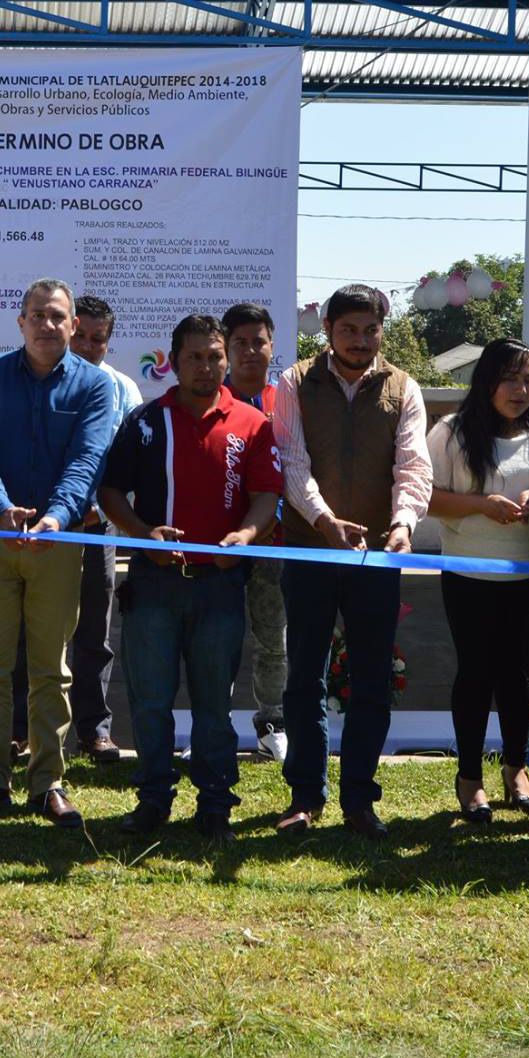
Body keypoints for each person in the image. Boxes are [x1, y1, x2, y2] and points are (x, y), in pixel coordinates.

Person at [100, 314, 281, 842]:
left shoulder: (252, 423)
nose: (206, 366)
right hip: (154, 585)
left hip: (220, 586)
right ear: (173, 362)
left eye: (215, 356)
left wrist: (246, 536)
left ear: (227, 361)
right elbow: (111, 492)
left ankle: (215, 804)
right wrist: (140, 532)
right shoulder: (146, 421)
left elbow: (267, 496)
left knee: (212, 704)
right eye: (195, 357)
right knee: (151, 700)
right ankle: (153, 798)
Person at [270, 283, 431, 839]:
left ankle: (360, 800)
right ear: (328, 332)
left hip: (377, 560)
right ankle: (304, 796)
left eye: (370, 329)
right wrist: (323, 521)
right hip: (310, 550)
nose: (360, 341)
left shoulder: (404, 387)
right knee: (303, 680)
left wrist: (405, 523)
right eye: (348, 330)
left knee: (371, 681)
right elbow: (290, 462)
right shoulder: (293, 382)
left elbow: (413, 465)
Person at [0, 277, 115, 827]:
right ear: (20, 322)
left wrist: (55, 516)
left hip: (57, 539)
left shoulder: (96, 387)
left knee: (51, 668)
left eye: (58, 317)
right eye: (38, 316)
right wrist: (2, 509)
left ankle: (47, 780)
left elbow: (88, 461)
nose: (48, 325)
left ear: (73, 325)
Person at [423, 336, 529, 822]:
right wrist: (483, 505)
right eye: (509, 378)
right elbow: (426, 499)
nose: (520, 389)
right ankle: (469, 778)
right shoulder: (452, 433)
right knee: (476, 673)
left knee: (516, 674)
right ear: (487, 381)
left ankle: (517, 769)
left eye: (528, 379)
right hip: (469, 574)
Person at [10, 294, 140, 765]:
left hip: (94, 531)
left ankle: (93, 730)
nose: (86, 347)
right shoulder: (38, 380)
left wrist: (99, 514)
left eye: (98, 341)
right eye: (80, 335)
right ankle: (21, 730)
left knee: (92, 634)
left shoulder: (124, 391)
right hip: (41, 528)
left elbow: (128, 467)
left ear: (108, 342)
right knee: (31, 630)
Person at [221, 301, 289, 763]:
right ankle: (213, 723)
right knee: (216, 639)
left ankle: (272, 724)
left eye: (258, 342)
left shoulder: (287, 405)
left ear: (272, 347)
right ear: (225, 349)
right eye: (240, 343)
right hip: (218, 547)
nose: (250, 351)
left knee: (273, 640)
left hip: (274, 545)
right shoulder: (206, 399)